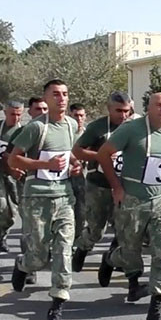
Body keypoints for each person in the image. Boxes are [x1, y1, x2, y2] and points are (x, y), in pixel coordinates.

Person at [95, 92, 161, 320]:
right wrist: (116, 186)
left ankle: (156, 307)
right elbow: (103, 154)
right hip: (133, 200)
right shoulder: (131, 129)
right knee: (130, 250)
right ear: (149, 107)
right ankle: (111, 258)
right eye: (159, 105)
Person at [8, 79, 83, 320]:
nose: (61, 98)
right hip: (37, 198)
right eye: (55, 94)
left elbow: (71, 154)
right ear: (46, 99)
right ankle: (23, 264)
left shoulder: (72, 125)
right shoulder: (36, 128)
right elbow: (14, 158)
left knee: (63, 252)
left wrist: (75, 165)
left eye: (64, 94)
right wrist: (44, 166)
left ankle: (56, 310)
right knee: (39, 256)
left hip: (64, 197)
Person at [70, 91, 133, 271]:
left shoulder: (132, 127)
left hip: (123, 185)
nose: (123, 115)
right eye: (118, 111)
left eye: (126, 111)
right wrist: (101, 156)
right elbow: (77, 151)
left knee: (123, 226)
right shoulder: (97, 128)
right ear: (109, 109)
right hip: (99, 185)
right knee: (97, 230)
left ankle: (115, 257)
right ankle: (82, 248)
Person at [8, 96, 47, 285]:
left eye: (45, 109)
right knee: (29, 227)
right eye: (38, 109)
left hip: (51, 187)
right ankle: (29, 265)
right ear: (30, 112)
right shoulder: (25, 131)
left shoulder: (55, 129)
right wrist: (15, 169)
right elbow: (10, 155)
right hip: (28, 185)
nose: (42, 113)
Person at [0, 101, 24, 254]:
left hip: (16, 173)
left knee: (12, 212)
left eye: (19, 114)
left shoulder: (25, 130)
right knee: (1, 205)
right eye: (12, 114)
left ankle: (3, 233)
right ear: (5, 113)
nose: (15, 118)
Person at [70, 103, 89, 245]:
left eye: (82, 115)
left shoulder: (89, 133)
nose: (79, 118)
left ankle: (77, 240)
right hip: (65, 176)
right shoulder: (66, 132)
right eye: (76, 115)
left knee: (81, 210)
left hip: (84, 177)